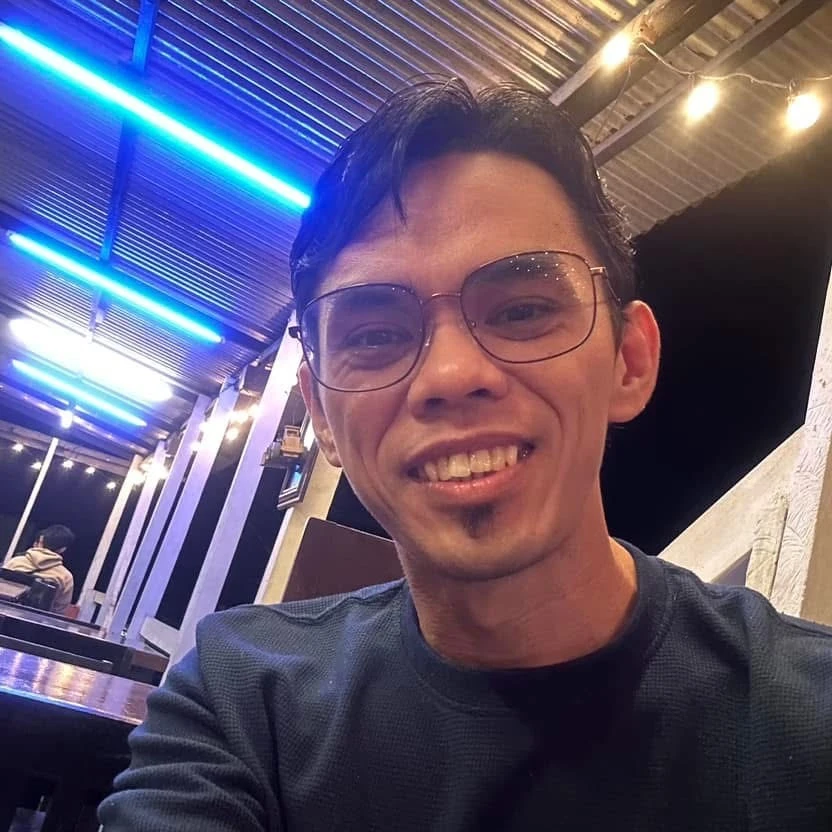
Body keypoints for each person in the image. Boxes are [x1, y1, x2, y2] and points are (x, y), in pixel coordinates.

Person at [99, 80, 832, 830]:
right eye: (375, 335)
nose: (450, 376)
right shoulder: (243, 704)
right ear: (321, 415)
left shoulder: (806, 720)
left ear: (630, 361)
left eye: (523, 311)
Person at [5, 524, 75, 614]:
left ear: (41, 541)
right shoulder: (66, 577)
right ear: (63, 549)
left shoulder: (14, 562)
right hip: (31, 621)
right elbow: (59, 612)